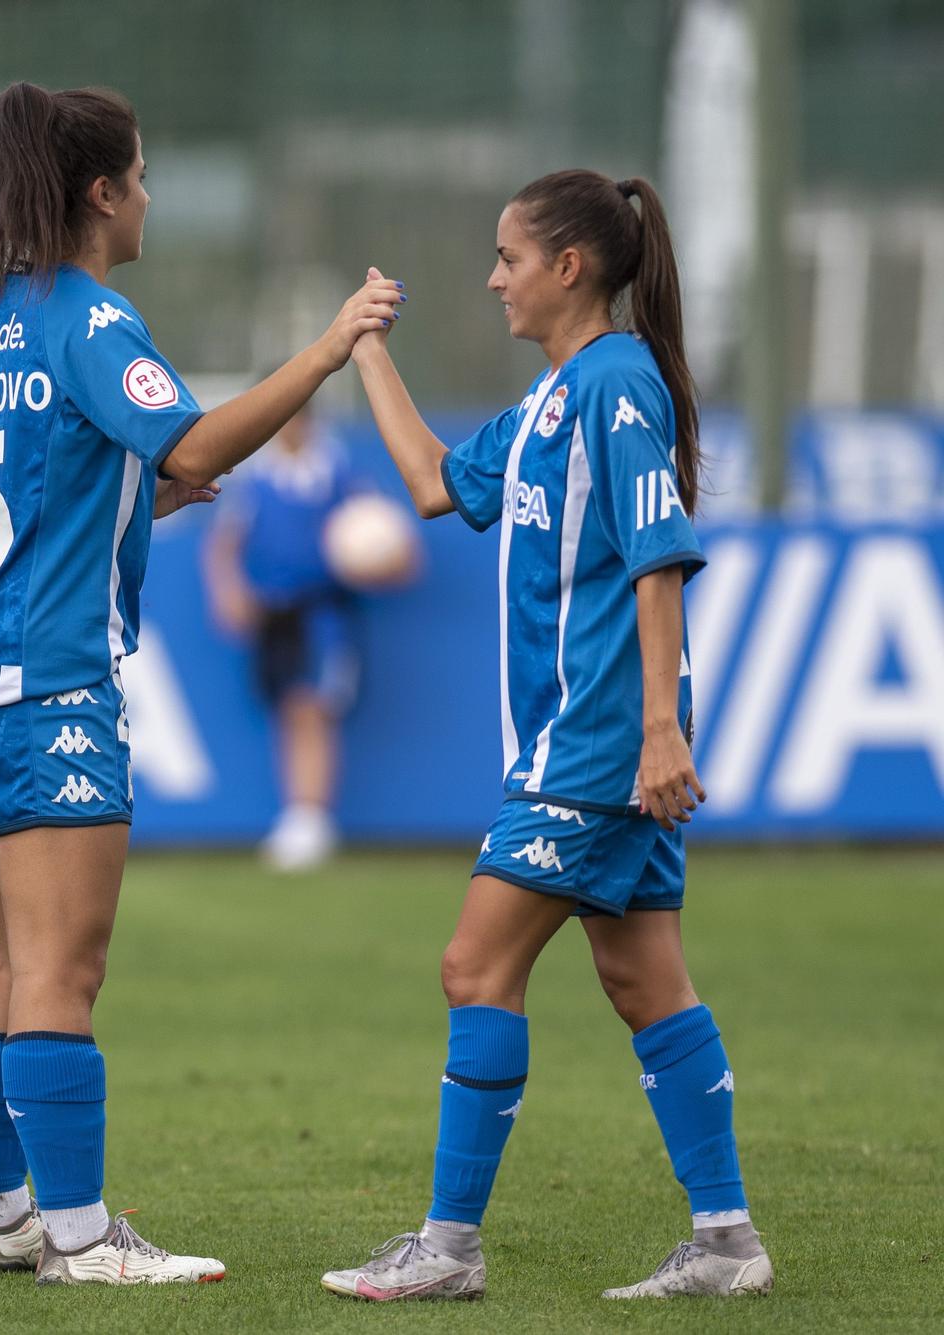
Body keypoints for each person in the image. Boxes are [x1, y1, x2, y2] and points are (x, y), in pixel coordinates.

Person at [0, 81, 404, 1286]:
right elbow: (186, 442)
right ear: (98, 192)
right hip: (47, 689)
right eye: (137, 177)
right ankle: (79, 1241)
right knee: (61, 972)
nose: (148, 197)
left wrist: (139, 496)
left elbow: (63, 479)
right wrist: (328, 349)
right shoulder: (90, 317)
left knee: (3, 956)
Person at [320, 170, 770, 1302]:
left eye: (506, 258)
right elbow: (431, 486)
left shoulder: (617, 381)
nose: (490, 279)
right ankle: (724, 1245)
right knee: (643, 984)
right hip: (589, 747)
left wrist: (658, 729)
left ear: (568, 267)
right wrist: (359, 347)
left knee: (474, 967)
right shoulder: (551, 400)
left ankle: (446, 1250)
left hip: (598, 744)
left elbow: (656, 553)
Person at [201, 407, 365, 871]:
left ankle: (311, 817)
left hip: (323, 613)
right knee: (287, 710)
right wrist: (229, 593)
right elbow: (223, 544)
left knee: (312, 708)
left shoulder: (337, 471)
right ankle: (300, 813)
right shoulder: (255, 479)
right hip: (273, 615)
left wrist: (381, 558)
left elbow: (374, 530)